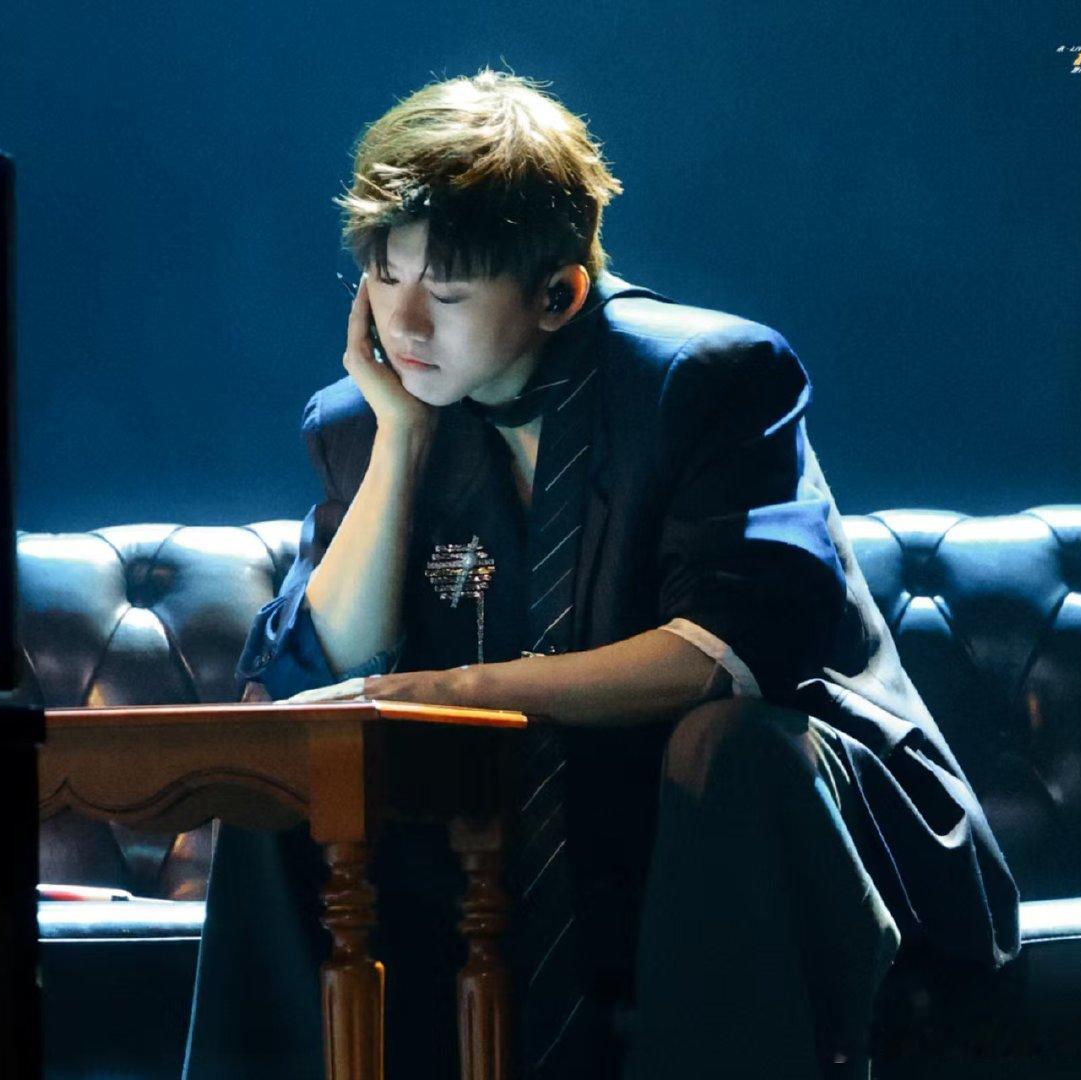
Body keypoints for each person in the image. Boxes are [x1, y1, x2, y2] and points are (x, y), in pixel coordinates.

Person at [183, 68, 1020, 1079]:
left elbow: (727, 651)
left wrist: (460, 690)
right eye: (384, 279)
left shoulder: (708, 379)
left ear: (559, 294)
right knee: (284, 773)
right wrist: (400, 440)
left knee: (728, 746)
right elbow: (318, 670)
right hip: (507, 846)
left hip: (756, 829)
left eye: (445, 294)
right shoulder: (366, 418)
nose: (403, 326)